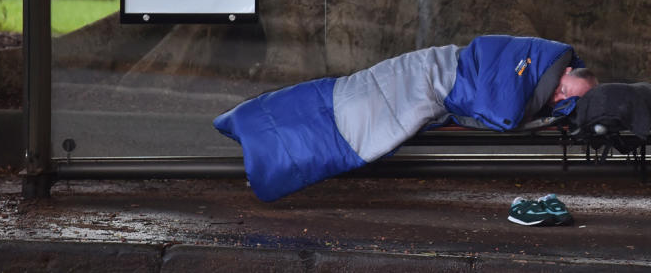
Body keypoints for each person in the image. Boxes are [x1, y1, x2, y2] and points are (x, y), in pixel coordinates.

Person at [214, 34, 597, 201]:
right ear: (565, 74)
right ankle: (259, 133)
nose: (559, 98)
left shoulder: (545, 69)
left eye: (566, 99)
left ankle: (259, 133)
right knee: (347, 112)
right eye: (564, 90)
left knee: (346, 110)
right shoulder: (540, 59)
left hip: (427, 80)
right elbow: (503, 108)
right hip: (428, 76)